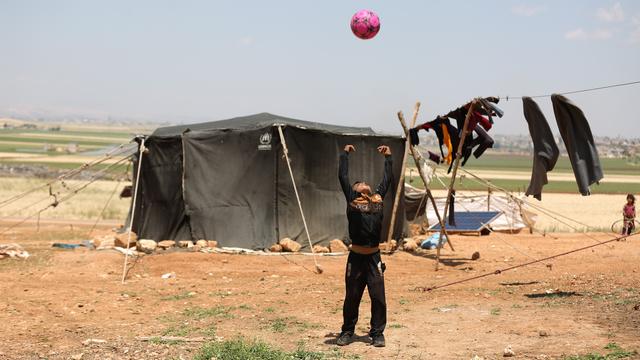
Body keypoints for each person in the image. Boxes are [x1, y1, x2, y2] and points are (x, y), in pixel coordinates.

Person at [336, 143, 393, 348]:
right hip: (356, 258)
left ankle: (377, 333)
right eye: (359, 184)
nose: (363, 184)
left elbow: (387, 180)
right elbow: (343, 177)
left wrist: (388, 158)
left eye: (365, 183)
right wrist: (345, 154)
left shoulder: (377, 199)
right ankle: (347, 331)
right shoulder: (352, 201)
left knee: (378, 297)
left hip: (374, 258)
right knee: (352, 296)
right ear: (354, 190)